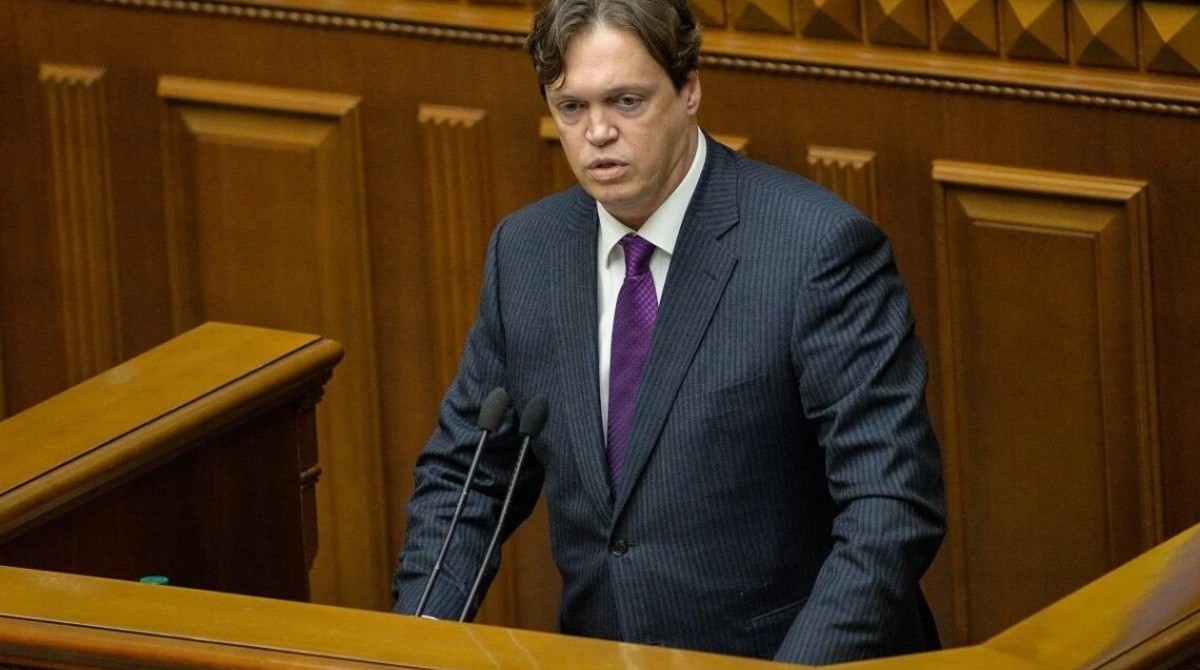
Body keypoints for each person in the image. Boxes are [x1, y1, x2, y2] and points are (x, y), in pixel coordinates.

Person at [391, 0, 946, 663]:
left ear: (689, 91)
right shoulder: (527, 252)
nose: (598, 132)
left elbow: (890, 505)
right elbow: (469, 476)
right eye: (572, 107)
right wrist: (411, 643)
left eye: (626, 101)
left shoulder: (815, 251)